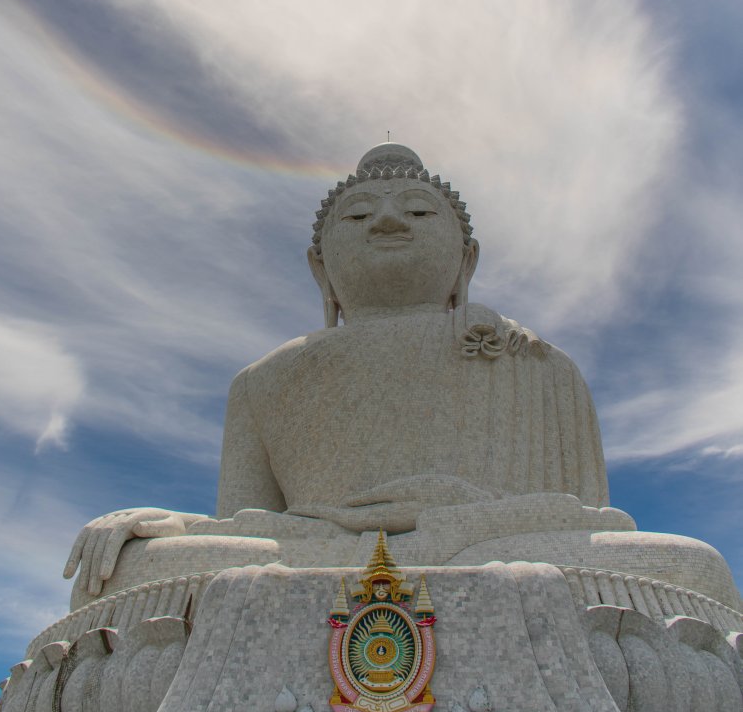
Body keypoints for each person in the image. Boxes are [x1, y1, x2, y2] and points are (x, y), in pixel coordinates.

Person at [64, 144, 740, 612]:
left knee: (691, 569)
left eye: (418, 212)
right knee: (124, 572)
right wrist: (171, 528)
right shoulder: (264, 381)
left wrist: (453, 525)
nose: (387, 220)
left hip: (500, 548)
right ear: (319, 268)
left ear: (464, 257)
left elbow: (595, 528)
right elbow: (251, 530)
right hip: (320, 554)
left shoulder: (537, 365)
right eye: (358, 217)